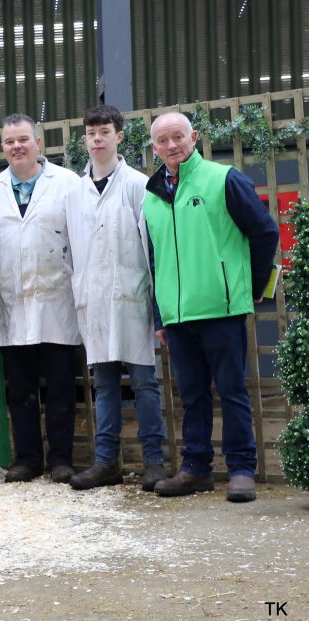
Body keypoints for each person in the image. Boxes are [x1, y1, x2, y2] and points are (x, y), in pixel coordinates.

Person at [143, 112, 279, 503]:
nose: (172, 146)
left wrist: (250, 287)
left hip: (221, 309)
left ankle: (241, 470)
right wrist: (160, 315)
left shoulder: (224, 179)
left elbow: (265, 231)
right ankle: (195, 468)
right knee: (193, 395)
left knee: (233, 390)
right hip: (177, 315)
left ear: (194, 137)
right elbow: (157, 262)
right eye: (163, 141)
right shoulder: (151, 197)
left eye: (178, 137)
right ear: (154, 147)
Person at [64, 105, 167, 492]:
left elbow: (154, 251)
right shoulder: (76, 192)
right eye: (90, 133)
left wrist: (159, 314)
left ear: (119, 136)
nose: (96, 139)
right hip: (93, 302)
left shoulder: (138, 186)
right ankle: (106, 462)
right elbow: (72, 250)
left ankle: (154, 461)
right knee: (104, 385)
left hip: (132, 299)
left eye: (104, 132)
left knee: (144, 383)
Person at [0, 113, 82, 484]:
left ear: (38, 142)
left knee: (59, 388)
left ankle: (61, 460)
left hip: (57, 299)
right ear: (2, 147)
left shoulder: (68, 184)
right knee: (19, 389)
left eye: (23, 139)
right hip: (10, 302)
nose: (17, 147)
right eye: (9, 142)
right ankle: (26, 459)